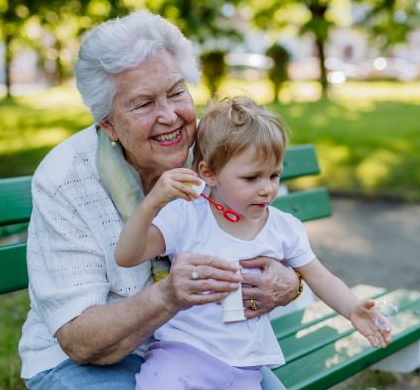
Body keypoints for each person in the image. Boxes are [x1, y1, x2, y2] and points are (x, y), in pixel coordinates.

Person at [19, 11, 301, 390]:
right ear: (108, 124)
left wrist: (290, 281)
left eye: (176, 92)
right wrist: (167, 297)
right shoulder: (65, 179)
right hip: (88, 363)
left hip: (203, 348)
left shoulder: (212, 152)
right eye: (143, 103)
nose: (169, 116)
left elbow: (277, 238)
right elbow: (77, 339)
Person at [114, 96, 393, 389]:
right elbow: (128, 255)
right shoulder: (187, 216)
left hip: (245, 367)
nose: (267, 190)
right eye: (251, 178)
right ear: (209, 174)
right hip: (183, 356)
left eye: (274, 175)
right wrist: (151, 206)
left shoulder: (284, 228)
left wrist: (352, 309)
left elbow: (320, 277)